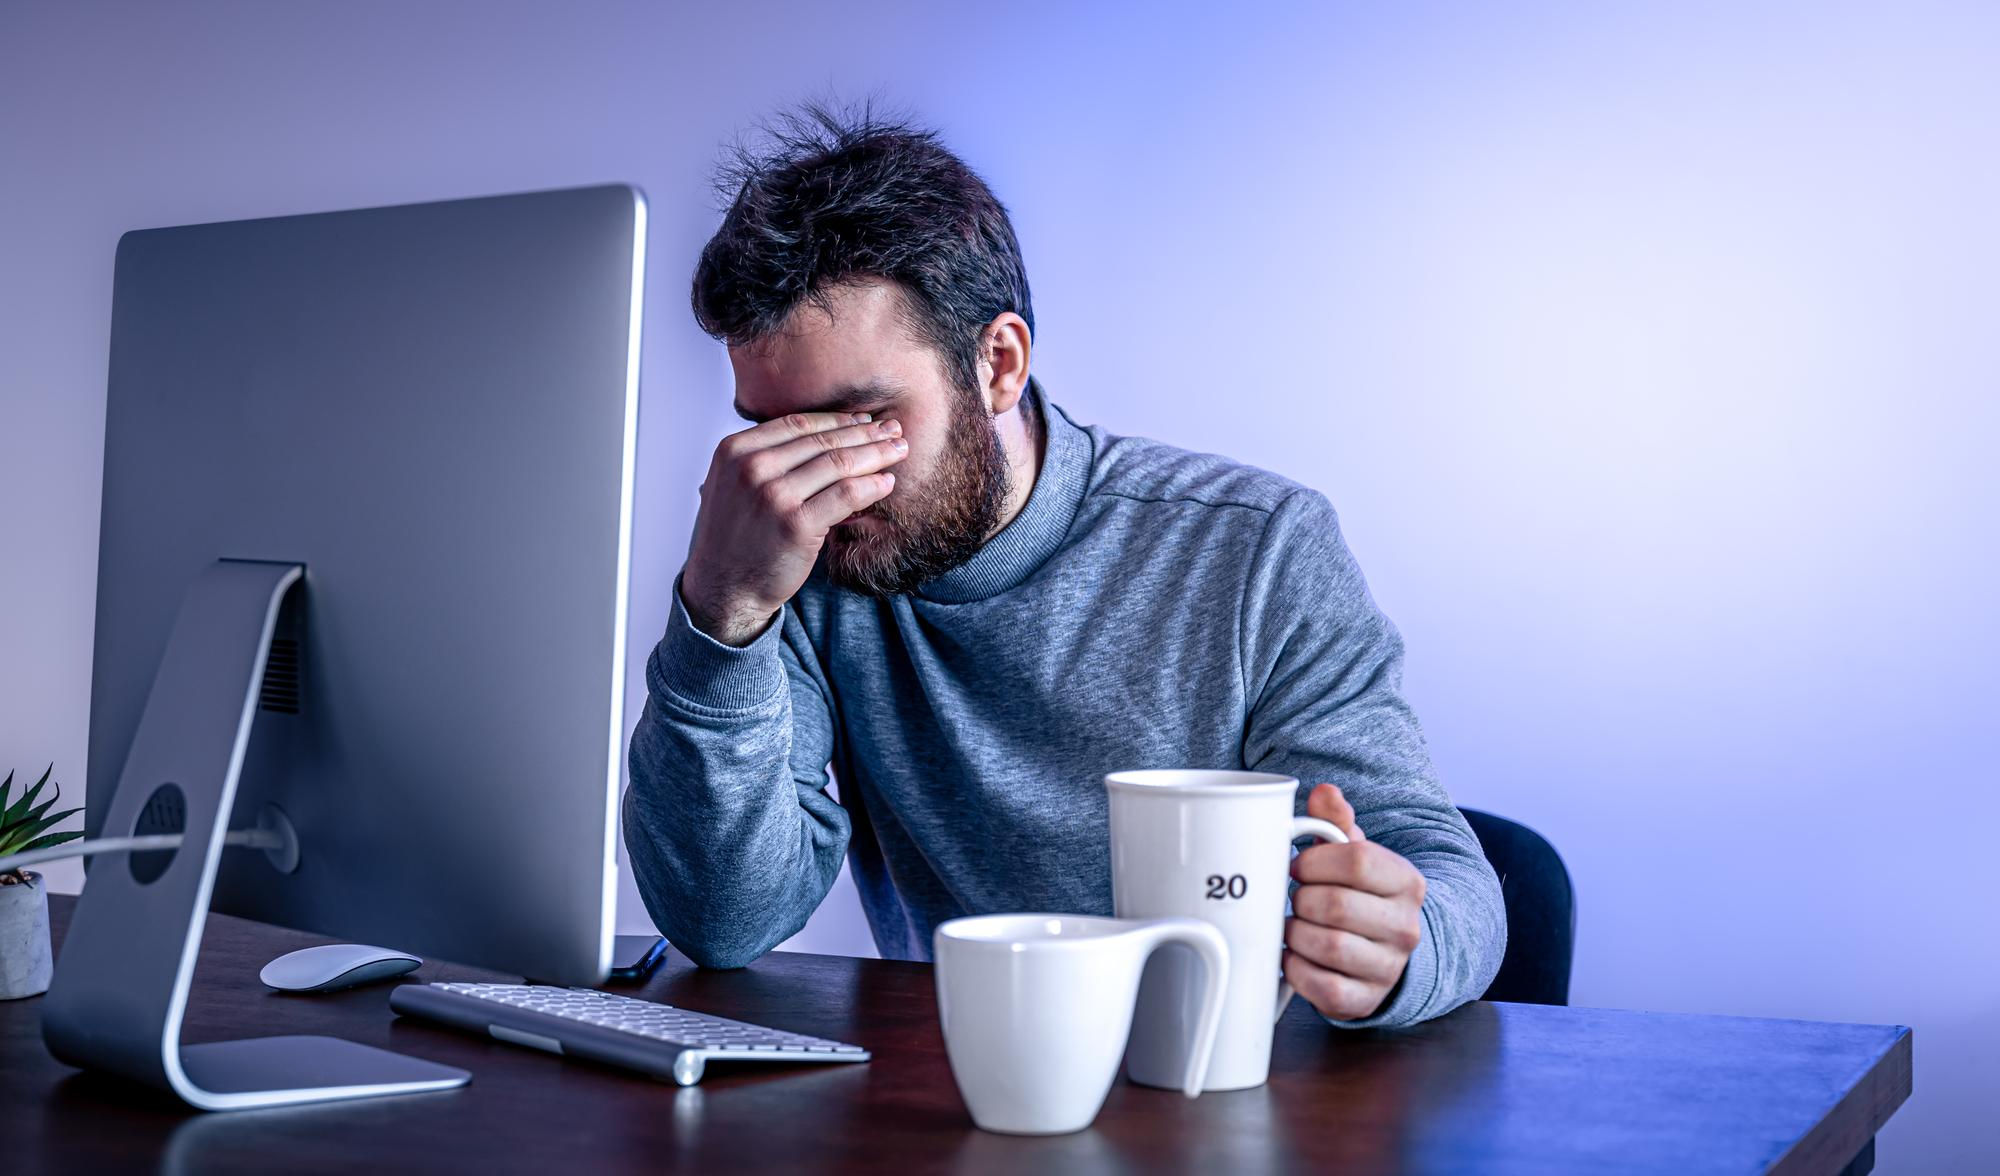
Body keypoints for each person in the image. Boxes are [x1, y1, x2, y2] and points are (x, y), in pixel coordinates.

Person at [625, 103, 1505, 1027]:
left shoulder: (1256, 546)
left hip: (1229, 1093)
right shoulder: (793, 562)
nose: (812, 479)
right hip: (974, 1092)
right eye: (770, 430)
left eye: (857, 422)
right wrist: (722, 615)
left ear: (997, 364)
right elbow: (724, 922)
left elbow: (1443, 875)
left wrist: (1402, 949)